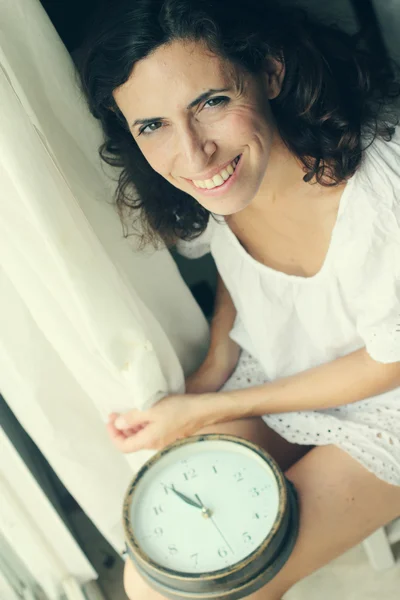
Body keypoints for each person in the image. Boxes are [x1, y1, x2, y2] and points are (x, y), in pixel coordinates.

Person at [79, 0, 400, 598]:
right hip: (287, 356)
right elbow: (243, 270)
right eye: (152, 125)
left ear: (270, 72)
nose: (193, 153)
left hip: (390, 395)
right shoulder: (216, 181)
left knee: (234, 587)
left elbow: (391, 361)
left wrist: (204, 410)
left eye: (211, 103)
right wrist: (213, 370)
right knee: (153, 582)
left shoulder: (383, 191)